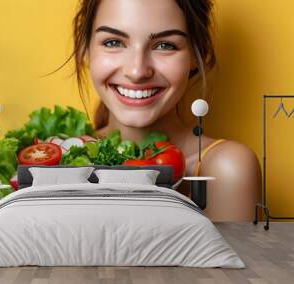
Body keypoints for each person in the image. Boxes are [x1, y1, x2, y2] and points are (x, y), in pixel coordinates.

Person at [61, 0, 261, 221]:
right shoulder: (60, 158)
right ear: (85, 50)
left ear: (198, 55)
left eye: (164, 45)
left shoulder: (226, 168)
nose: (137, 71)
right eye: (113, 42)